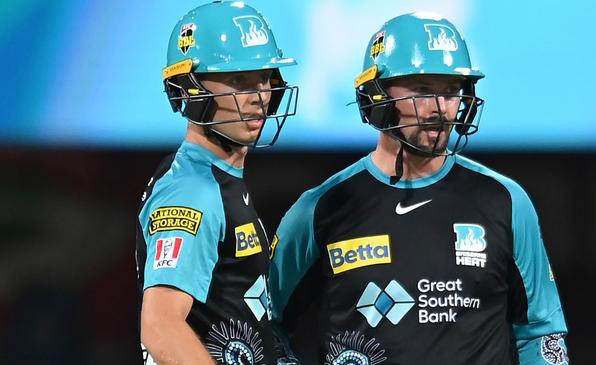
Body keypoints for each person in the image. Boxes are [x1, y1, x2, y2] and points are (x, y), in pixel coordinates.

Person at [268, 12, 569, 364]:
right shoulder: (319, 209)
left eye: (452, 91)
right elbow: (267, 323)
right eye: (423, 91)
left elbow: (541, 330)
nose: (440, 109)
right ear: (375, 96)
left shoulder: (506, 201)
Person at [135, 1, 298, 364]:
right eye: (239, 80)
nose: (259, 97)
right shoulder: (193, 191)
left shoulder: (218, 178)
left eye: (265, 77)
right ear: (190, 90)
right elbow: (161, 326)